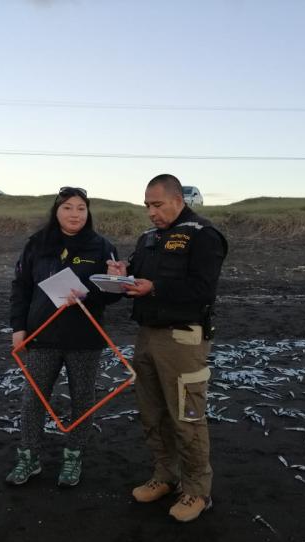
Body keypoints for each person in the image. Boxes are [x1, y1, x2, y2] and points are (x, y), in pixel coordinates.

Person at [108, 174, 228, 522]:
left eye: (157, 204)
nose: (151, 212)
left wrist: (155, 288)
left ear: (178, 200)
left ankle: (197, 491)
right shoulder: (148, 239)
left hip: (183, 338)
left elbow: (203, 290)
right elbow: (138, 278)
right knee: (152, 412)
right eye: (147, 205)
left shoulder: (203, 236)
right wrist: (122, 273)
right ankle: (165, 475)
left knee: (187, 415)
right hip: (146, 336)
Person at [7, 186, 120, 488]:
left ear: (88, 212)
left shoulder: (102, 246)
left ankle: (73, 456)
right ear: (56, 211)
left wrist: (108, 284)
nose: (74, 214)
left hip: (84, 339)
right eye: (68, 207)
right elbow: (21, 288)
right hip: (42, 336)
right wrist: (19, 329)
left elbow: (113, 296)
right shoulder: (37, 244)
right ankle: (29, 457)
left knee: (82, 401)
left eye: (81, 208)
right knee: (33, 399)